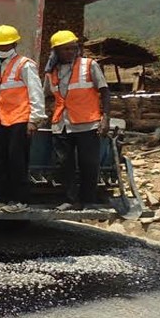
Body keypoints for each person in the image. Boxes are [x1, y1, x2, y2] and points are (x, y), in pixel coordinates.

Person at [0, 25, 45, 213]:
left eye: (5, 46)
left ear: (14, 43)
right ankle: (1, 198)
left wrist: (35, 119)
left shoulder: (25, 64)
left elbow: (36, 92)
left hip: (21, 119)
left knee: (17, 161)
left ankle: (20, 200)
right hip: (4, 119)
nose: (1, 49)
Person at [43, 30, 114, 211]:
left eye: (72, 48)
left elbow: (105, 92)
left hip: (87, 123)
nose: (69, 52)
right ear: (56, 51)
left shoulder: (89, 65)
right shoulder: (52, 72)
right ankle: (70, 199)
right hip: (61, 124)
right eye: (65, 49)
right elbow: (47, 96)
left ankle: (88, 200)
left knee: (88, 163)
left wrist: (105, 119)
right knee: (64, 164)